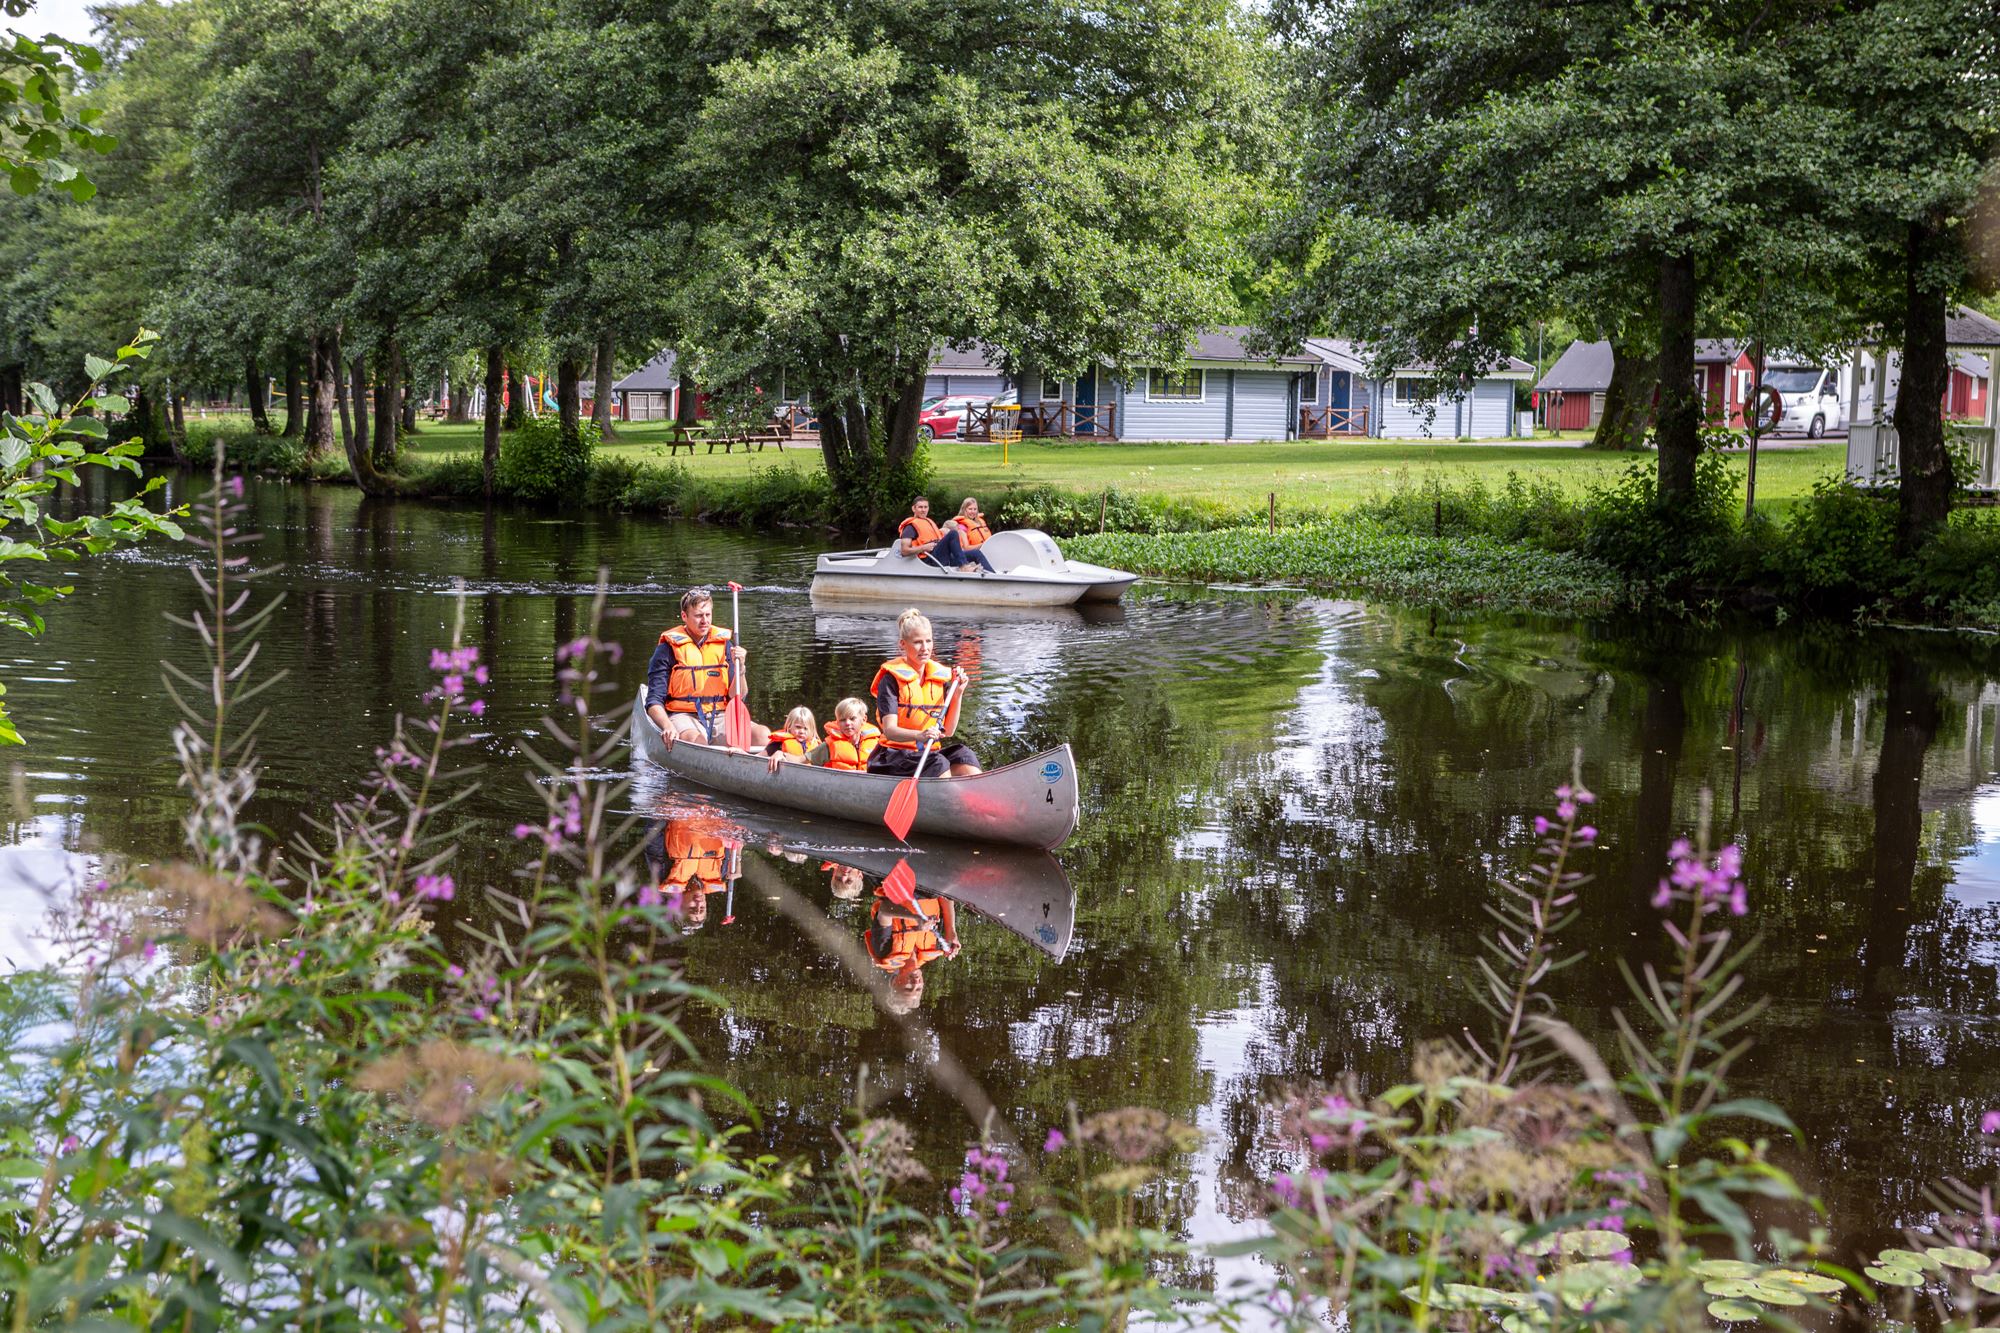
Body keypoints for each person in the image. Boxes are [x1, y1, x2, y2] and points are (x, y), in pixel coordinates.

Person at [644, 586, 768, 748]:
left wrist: (741, 668)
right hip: (683, 716)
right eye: (698, 616)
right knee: (699, 741)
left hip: (720, 715)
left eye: (708, 615)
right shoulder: (667, 649)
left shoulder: (724, 645)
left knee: (763, 735)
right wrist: (668, 726)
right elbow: (653, 702)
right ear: (684, 616)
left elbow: (737, 697)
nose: (705, 621)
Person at [868, 608, 980, 779]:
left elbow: (948, 731)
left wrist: (958, 694)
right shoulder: (890, 680)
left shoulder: (937, 678)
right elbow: (890, 731)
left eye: (928, 641)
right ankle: (948, 801)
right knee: (938, 763)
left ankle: (975, 800)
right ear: (902, 644)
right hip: (893, 756)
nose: (925, 648)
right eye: (918, 642)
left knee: (965, 756)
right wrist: (919, 736)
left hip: (927, 754)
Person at [866, 888, 958, 1016]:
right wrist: (951, 932)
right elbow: (947, 896)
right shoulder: (935, 947)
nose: (916, 983)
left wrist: (915, 918)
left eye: (908, 988)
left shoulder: (884, 951)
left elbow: (885, 910)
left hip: (903, 888)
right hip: (934, 887)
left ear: (894, 982)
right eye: (919, 988)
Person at [897, 496, 993, 574]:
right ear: (914, 508)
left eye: (925, 507)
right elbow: (904, 551)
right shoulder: (910, 527)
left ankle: (994, 576)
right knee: (953, 534)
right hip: (930, 560)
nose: (923, 510)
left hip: (941, 556)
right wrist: (924, 547)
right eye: (920, 507)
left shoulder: (927, 521)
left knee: (975, 553)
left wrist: (942, 532)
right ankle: (963, 567)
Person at [819, 697, 882, 772]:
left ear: (864, 719)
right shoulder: (829, 745)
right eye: (842, 720)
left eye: (852, 719)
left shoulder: (878, 745)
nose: (847, 723)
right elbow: (803, 760)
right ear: (838, 723)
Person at [764, 705, 817, 773]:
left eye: (805, 728)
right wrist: (779, 753)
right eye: (798, 727)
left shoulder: (816, 746)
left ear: (811, 730)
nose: (802, 731)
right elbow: (757, 758)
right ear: (789, 726)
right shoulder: (777, 744)